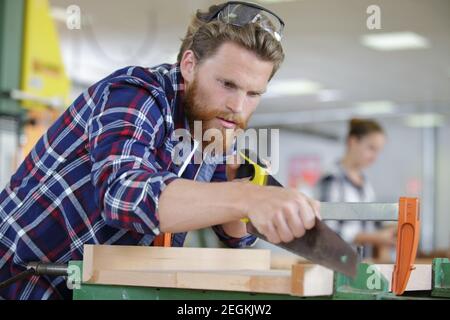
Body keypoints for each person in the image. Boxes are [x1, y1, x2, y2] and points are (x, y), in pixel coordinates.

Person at [0, 2, 321, 299]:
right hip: (19, 278)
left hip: (87, 287)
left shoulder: (214, 127)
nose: (238, 106)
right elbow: (123, 197)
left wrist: (252, 199)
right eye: (227, 84)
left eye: (253, 93)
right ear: (189, 64)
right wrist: (247, 198)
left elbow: (236, 236)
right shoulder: (136, 94)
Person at [316, 118, 395, 258]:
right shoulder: (332, 179)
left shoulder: (366, 184)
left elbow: (372, 222)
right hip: (337, 264)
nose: (374, 157)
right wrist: (373, 237)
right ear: (352, 142)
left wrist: (389, 228)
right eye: (371, 148)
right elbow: (327, 230)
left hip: (362, 264)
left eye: (378, 151)